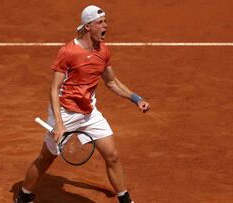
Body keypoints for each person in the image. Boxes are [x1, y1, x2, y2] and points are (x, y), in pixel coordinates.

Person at [15, 5, 150, 203]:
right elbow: (54, 89)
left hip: (89, 113)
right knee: (46, 159)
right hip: (65, 112)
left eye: (105, 22)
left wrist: (136, 99)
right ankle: (24, 196)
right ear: (88, 26)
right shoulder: (68, 52)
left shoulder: (103, 51)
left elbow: (111, 81)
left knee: (112, 155)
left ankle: (125, 199)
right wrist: (59, 124)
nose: (105, 26)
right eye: (100, 23)